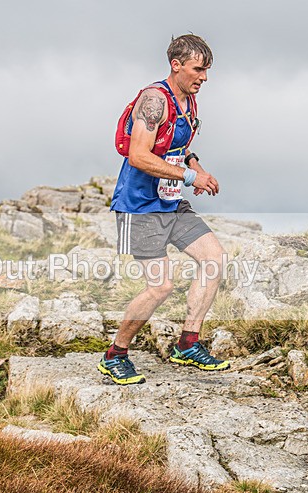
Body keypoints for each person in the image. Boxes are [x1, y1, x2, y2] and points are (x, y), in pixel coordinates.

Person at [98, 34, 230, 386]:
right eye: (198, 69)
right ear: (176, 65)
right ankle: (116, 354)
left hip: (170, 203)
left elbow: (178, 146)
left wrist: (196, 167)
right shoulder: (154, 100)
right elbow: (139, 155)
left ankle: (188, 344)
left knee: (214, 259)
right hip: (138, 207)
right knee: (161, 287)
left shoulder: (189, 101)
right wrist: (190, 177)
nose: (204, 77)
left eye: (207, 70)